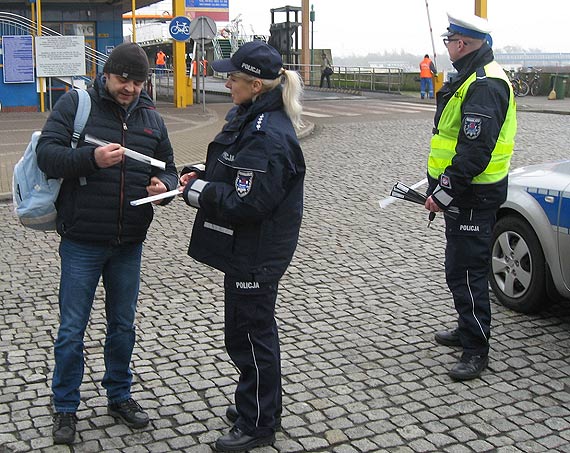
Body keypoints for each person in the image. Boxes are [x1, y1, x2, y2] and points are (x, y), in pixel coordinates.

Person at [36, 42, 179, 444]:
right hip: (82, 240)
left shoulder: (152, 117)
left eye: (137, 81)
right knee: (71, 330)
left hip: (129, 240)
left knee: (122, 326)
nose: (130, 88)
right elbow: (47, 154)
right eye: (123, 79)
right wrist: (91, 159)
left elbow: (167, 167)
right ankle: (65, 407)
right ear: (107, 74)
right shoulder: (76, 105)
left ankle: (119, 395)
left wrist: (164, 187)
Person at [178, 40, 305, 452]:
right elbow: (233, 167)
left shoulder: (268, 135)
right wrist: (201, 171)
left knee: (250, 336)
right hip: (246, 248)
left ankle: (259, 422)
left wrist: (198, 192)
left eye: (231, 77)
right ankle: (255, 403)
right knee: (244, 331)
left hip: (257, 251)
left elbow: (248, 202)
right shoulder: (250, 117)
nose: (226, 82)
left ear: (254, 84)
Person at [424, 12, 517, 381]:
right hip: (466, 193)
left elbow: (474, 152)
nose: (446, 46)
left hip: (474, 196)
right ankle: (466, 328)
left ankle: (477, 347)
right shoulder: (472, 78)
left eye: (450, 41)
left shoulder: (484, 84)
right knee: (458, 268)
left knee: (468, 272)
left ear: (461, 44)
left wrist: (443, 192)